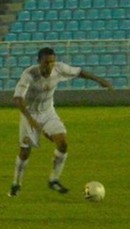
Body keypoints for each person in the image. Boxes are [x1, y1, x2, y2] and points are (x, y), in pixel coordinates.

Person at [8, 47, 112, 197]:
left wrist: (99, 80)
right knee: (25, 152)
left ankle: (54, 180)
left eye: (52, 62)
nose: (49, 65)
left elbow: (79, 72)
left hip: (48, 112)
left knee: (62, 143)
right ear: (39, 62)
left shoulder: (59, 68)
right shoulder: (29, 74)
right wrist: (30, 120)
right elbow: (18, 99)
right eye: (46, 62)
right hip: (30, 114)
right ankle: (16, 183)